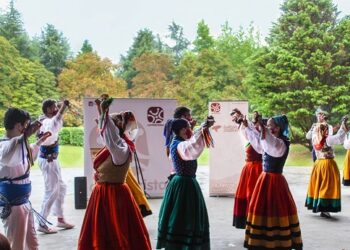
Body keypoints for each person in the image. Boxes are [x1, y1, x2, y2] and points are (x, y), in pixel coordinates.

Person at [78, 98, 151, 250]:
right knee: (105, 231)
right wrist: (101, 111)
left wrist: (104, 112)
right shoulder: (115, 147)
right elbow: (108, 134)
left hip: (113, 196)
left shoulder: (120, 149)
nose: (103, 130)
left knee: (117, 232)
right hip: (104, 194)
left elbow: (110, 135)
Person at [232, 111, 303, 249]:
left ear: (278, 128)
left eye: (270, 125)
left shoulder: (280, 143)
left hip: (274, 181)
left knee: (274, 209)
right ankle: (262, 239)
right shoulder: (271, 140)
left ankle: (275, 240)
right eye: (268, 125)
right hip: (265, 179)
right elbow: (258, 144)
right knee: (261, 208)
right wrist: (247, 127)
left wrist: (260, 126)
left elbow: (269, 141)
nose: (268, 127)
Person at [157, 117, 214, 250]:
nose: (190, 129)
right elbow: (193, 146)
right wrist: (204, 128)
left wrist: (203, 127)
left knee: (182, 216)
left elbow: (193, 139)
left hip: (183, 182)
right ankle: (182, 245)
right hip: (184, 184)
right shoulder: (180, 145)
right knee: (185, 217)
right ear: (182, 129)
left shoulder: (177, 141)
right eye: (188, 127)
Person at [0, 107, 51, 250]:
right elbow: (8, 156)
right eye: (25, 125)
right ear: (18, 126)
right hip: (13, 205)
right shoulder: (4, 145)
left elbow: (25, 156)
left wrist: (39, 142)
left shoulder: (18, 143)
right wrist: (25, 136)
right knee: (16, 245)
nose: (27, 129)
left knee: (32, 242)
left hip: (23, 202)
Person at [37, 99, 74, 234]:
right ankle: (41, 222)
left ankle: (60, 218)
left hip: (52, 159)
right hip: (48, 160)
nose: (56, 109)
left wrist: (61, 107)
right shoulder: (47, 122)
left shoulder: (45, 120)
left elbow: (57, 118)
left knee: (61, 187)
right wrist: (64, 105)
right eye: (53, 107)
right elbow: (57, 118)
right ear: (47, 109)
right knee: (51, 191)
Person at [305, 116, 348, 218]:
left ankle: (317, 205)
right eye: (327, 129)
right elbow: (339, 138)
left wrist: (318, 124)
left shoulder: (315, 138)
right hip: (327, 164)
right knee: (327, 186)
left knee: (319, 184)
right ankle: (324, 208)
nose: (328, 131)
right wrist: (343, 125)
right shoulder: (327, 140)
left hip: (318, 164)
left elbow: (309, 135)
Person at [231, 110, 263, 229]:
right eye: (255, 121)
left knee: (257, 197)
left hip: (259, 169)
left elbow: (255, 135)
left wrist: (246, 123)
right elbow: (251, 133)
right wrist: (244, 123)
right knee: (250, 195)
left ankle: (258, 222)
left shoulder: (260, 135)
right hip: (252, 169)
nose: (256, 124)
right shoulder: (249, 135)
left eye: (258, 121)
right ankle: (251, 222)